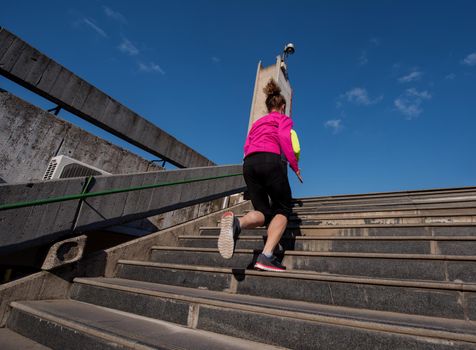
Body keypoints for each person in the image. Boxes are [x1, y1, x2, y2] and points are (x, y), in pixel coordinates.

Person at [218, 79, 302, 272]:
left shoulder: (257, 123)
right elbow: (283, 139)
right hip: (270, 160)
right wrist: (295, 166)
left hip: (249, 163)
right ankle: (266, 256)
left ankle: (237, 224)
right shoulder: (283, 119)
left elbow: (246, 145)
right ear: (282, 107)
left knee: (263, 213)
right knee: (282, 209)